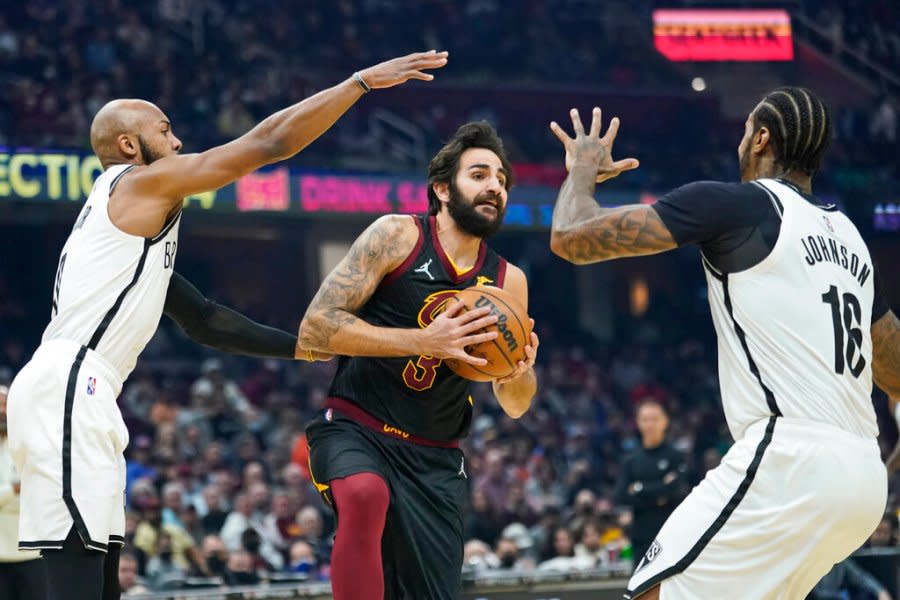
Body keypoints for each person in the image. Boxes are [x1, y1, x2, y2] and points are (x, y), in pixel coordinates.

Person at [6, 49, 449, 600]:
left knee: (96, 571)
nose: (176, 143)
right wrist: (357, 83)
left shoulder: (124, 236)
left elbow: (206, 320)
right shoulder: (138, 183)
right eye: (164, 132)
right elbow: (268, 144)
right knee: (76, 569)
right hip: (71, 383)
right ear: (128, 145)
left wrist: (307, 349)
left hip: (78, 388)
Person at [548, 87, 898, 599]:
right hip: (863, 479)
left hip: (792, 460)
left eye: (744, 131)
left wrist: (582, 169)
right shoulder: (851, 239)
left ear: (760, 138)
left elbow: (570, 235)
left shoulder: (735, 205)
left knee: (653, 591)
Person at [300, 121, 539, 599]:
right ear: (442, 189)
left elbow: (515, 404)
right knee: (366, 494)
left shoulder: (509, 281)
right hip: (357, 428)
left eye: (502, 180)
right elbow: (315, 330)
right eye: (479, 174)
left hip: (435, 455)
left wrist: (517, 371)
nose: (495, 185)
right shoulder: (396, 235)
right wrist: (424, 341)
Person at [614, 400, 688, 563]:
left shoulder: (676, 456)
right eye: (645, 419)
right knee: (640, 586)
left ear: (665, 421)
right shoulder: (631, 460)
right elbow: (621, 496)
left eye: (654, 419)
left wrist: (639, 489)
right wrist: (661, 492)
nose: (650, 424)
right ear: (638, 423)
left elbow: (678, 491)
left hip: (672, 533)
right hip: (642, 535)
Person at [0, 386, 46, 600]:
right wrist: (14, 490)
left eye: (5, 404)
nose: (2, 410)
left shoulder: (32, 443)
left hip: (32, 550)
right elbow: (23, 489)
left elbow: (41, 491)